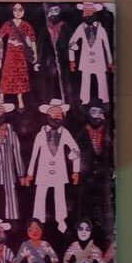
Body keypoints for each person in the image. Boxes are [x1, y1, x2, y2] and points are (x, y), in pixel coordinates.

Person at [23, 99, 79, 233]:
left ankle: (61, 219)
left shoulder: (65, 133)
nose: (57, 115)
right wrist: (30, 174)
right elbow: (34, 155)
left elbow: (76, 149)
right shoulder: (41, 134)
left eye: (59, 112)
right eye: (54, 112)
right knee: (40, 195)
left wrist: (75, 170)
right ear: (48, 114)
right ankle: (38, 220)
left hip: (59, 170)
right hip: (43, 171)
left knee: (60, 195)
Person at [68, 3, 114, 106]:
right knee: (85, 79)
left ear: (95, 13)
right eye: (85, 11)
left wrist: (110, 62)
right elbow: (71, 42)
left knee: (101, 78)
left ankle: (104, 99)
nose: (87, 13)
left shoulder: (101, 29)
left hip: (99, 59)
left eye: (90, 11)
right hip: (85, 59)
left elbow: (107, 46)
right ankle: (85, 99)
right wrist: (72, 60)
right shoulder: (80, 28)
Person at [0, 98, 23, 222]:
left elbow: (16, 153)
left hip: (7, 169)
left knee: (10, 193)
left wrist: (21, 174)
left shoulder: (10, 132)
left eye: (0, 110)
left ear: (4, 112)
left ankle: (12, 220)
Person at [0, 3, 37, 106]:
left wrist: (35, 54)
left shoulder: (26, 25)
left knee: (20, 76)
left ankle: (20, 99)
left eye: (20, 10)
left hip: (21, 54)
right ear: (12, 11)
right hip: (10, 54)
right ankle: (1, 96)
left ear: (24, 11)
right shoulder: (8, 24)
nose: (18, 12)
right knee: (7, 74)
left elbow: (32, 40)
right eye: (15, 9)